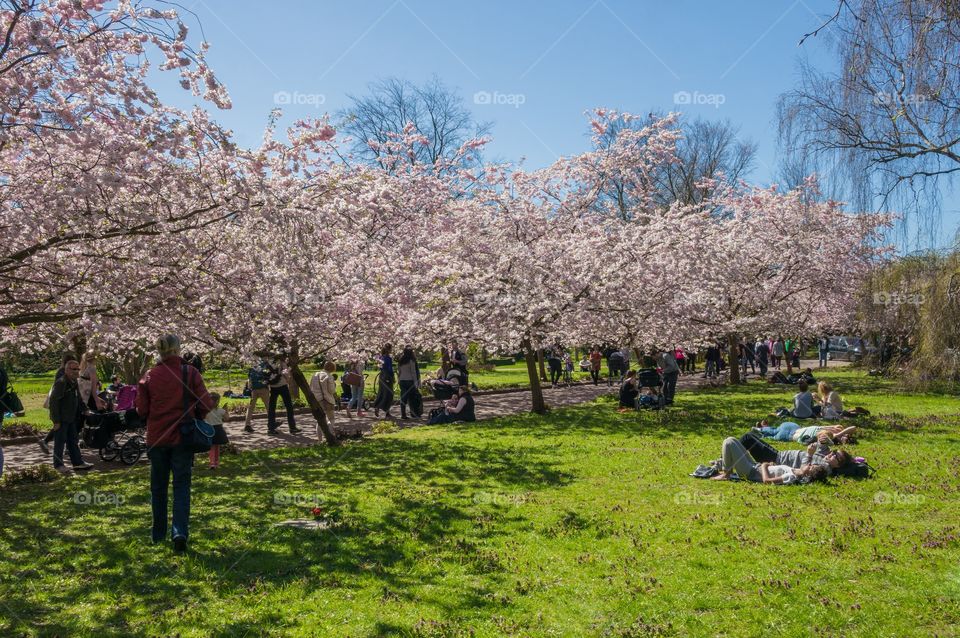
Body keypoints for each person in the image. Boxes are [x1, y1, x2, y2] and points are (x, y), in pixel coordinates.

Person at [137, 334, 212, 552]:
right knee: (181, 487)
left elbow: (141, 410)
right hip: (183, 437)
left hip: (157, 438)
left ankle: (157, 534)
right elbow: (205, 404)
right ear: (178, 349)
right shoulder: (190, 373)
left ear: (158, 351)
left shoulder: (150, 375)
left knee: (158, 488)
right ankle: (179, 532)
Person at [711, 437, 828, 483]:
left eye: (811, 466)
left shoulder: (792, 477)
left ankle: (726, 474)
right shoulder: (796, 470)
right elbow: (806, 461)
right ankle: (727, 469)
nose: (809, 464)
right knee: (733, 439)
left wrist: (765, 466)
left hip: (750, 472)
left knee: (728, 442)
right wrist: (772, 466)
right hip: (754, 466)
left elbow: (767, 481)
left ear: (808, 473)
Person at [48, 357, 94, 474]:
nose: (76, 371)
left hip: (71, 418)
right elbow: (53, 402)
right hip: (62, 419)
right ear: (66, 370)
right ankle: (58, 465)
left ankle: (78, 463)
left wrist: (85, 409)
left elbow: (78, 398)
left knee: (73, 441)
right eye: (74, 369)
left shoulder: (73, 382)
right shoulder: (61, 383)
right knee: (60, 442)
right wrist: (56, 421)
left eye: (78, 369)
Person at [266, 359, 300, 435]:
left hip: (273, 386)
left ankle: (270, 428)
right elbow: (286, 373)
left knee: (272, 407)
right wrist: (288, 381)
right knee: (289, 406)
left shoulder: (269, 361)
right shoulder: (281, 362)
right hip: (282, 385)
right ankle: (292, 427)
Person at [310, 361, 338, 436]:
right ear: (332, 368)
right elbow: (331, 390)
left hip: (317, 400)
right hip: (327, 400)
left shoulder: (315, 375)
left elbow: (311, 387)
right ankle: (329, 436)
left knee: (320, 421)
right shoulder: (329, 376)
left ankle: (320, 440)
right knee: (331, 419)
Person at [243, 360, 271, 433]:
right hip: (263, 388)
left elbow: (249, 380)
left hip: (254, 390)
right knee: (268, 406)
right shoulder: (265, 365)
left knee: (251, 407)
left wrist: (249, 389)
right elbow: (268, 378)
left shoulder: (252, 367)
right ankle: (271, 423)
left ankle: (247, 425)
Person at [207, 392, 228, 470]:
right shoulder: (220, 410)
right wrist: (226, 410)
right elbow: (226, 418)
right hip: (218, 429)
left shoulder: (206, 410)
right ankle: (216, 462)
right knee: (217, 447)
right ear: (217, 401)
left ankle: (212, 462)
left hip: (209, 430)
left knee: (212, 447)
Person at [373, 344, 395, 418]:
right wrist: (393, 377)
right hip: (388, 377)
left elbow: (380, 367)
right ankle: (386, 411)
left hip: (382, 376)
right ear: (389, 349)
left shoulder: (380, 357)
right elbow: (389, 369)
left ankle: (379, 407)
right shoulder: (388, 358)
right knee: (389, 394)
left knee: (382, 392)